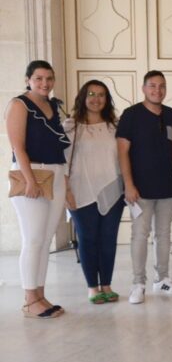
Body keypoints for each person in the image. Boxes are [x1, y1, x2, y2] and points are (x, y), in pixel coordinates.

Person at [7, 61, 71, 318]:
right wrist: (30, 179)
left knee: (45, 240)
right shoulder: (19, 105)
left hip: (55, 172)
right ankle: (29, 300)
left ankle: (40, 295)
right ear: (28, 79)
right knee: (33, 239)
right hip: (32, 173)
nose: (44, 83)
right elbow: (17, 147)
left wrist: (64, 181)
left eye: (49, 78)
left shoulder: (54, 106)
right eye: (39, 78)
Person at [117, 70, 172, 304]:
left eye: (162, 86)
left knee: (164, 235)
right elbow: (122, 152)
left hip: (167, 187)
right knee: (139, 235)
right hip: (140, 189)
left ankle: (163, 278)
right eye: (153, 86)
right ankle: (138, 283)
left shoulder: (170, 114)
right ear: (144, 88)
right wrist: (129, 184)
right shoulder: (131, 115)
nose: (158, 90)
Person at [63, 80, 125, 305]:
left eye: (101, 95)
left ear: (107, 99)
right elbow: (63, 162)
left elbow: (124, 158)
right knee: (88, 239)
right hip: (81, 191)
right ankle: (92, 287)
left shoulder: (115, 126)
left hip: (112, 191)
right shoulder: (71, 127)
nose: (96, 99)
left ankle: (106, 285)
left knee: (108, 239)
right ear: (83, 97)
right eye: (91, 94)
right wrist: (67, 191)